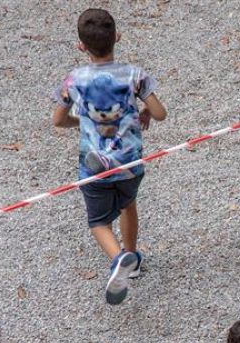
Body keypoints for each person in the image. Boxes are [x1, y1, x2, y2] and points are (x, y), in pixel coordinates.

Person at [52, 8, 167, 305]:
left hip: (93, 168)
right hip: (131, 164)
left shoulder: (74, 80)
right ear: (117, 37)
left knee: (99, 221)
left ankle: (118, 259)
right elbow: (160, 113)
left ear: (81, 46)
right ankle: (133, 258)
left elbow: (58, 120)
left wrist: (82, 122)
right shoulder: (134, 75)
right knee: (128, 204)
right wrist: (144, 113)